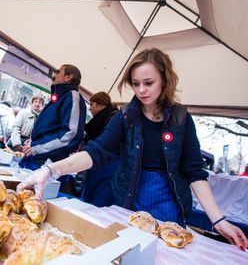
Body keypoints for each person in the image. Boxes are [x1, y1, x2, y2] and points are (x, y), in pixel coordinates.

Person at [17, 48, 248, 250]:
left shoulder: (181, 118)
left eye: (149, 83)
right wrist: (50, 171)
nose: (141, 90)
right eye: (135, 84)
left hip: (169, 205)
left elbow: (195, 172)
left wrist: (218, 221)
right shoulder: (126, 116)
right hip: (129, 199)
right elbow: (95, 152)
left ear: (165, 81)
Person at [19, 64, 86, 192]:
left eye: (58, 71)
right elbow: (49, 128)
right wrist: (33, 141)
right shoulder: (58, 97)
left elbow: (69, 136)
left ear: (68, 77)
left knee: (30, 203)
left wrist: (36, 148)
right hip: (36, 160)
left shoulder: (73, 97)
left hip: (47, 163)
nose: (54, 75)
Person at [73, 91, 120, 206]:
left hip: (105, 171)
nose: (90, 109)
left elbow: (103, 145)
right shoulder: (103, 118)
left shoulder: (112, 119)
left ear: (101, 105)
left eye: (92, 104)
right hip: (98, 168)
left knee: (94, 205)